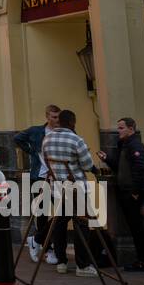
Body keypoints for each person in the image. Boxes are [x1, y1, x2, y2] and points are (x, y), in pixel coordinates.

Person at [41, 109, 106, 276]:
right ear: (72, 123)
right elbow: (86, 164)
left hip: (58, 187)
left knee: (60, 223)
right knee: (82, 224)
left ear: (58, 122)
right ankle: (82, 265)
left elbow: (47, 161)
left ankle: (61, 262)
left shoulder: (46, 138)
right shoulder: (76, 139)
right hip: (76, 187)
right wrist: (95, 169)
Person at [99, 117, 144, 272]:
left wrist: (135, 192)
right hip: (128, 191)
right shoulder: (125, 145)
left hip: (135, 192)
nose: (118, 131)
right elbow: (119, 166)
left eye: (121, 128)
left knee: (138, 228)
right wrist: (107, 159)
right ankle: (142, 260)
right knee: (135, 229)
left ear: (131, 129)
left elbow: (139, 168)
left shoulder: (135, 145)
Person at [14, 105, 59, 264]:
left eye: (58, 117)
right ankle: (48, 249)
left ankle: (38, 240)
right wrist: (31, 151)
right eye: (53, 117)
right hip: (40, 176)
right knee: (42, 213)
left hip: (58, 178)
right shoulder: (36, 131)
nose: (56, 120)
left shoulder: (62, 133)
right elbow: (17, 138)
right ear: (47, 117)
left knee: (63, 212)